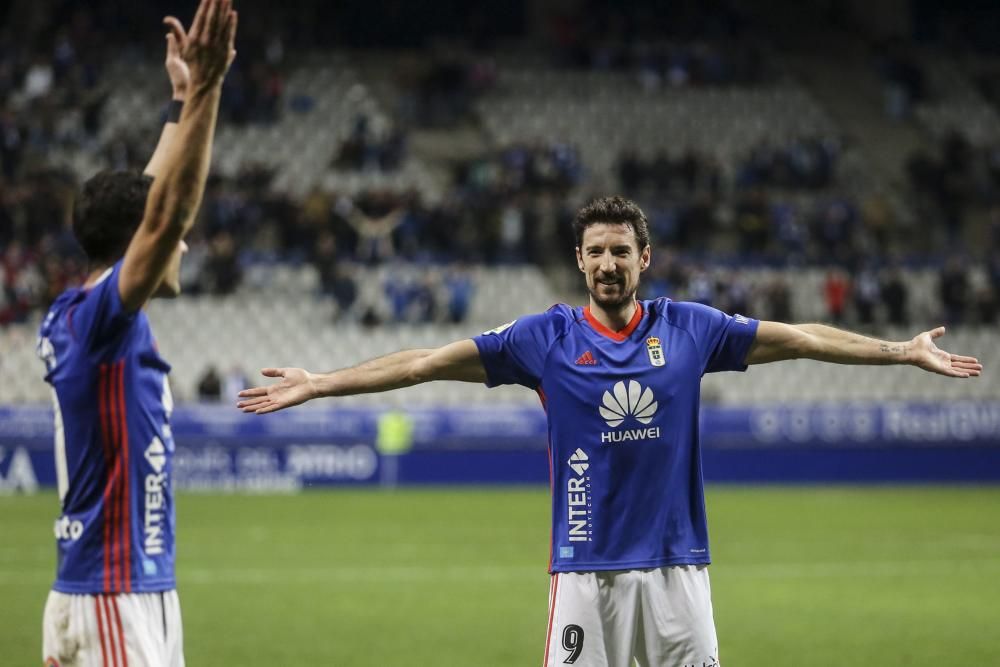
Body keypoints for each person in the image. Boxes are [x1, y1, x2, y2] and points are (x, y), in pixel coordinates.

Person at [237, 196, 982, 667]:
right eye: (595, 251)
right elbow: (428, 361)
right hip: (586, 573)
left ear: (644, 259)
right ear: (579, 261)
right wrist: (323, 380)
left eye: (621, 250)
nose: (607, 263)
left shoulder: (689, 329)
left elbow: (800, 337)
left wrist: (899, 349)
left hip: (679, 571)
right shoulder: (545, 339)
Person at [35, 2, 237, 665]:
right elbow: (168, 208)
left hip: (109, 586)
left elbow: (150, 202)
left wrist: (180, 102)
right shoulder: (101, 323)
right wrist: (207, 90)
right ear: (137, 248)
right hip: (112, 590)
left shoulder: (76, 310)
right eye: (166, 239)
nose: (181, 243)